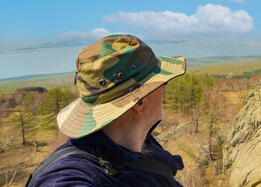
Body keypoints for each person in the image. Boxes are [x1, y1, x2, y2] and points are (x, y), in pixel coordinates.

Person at [27, 34, 186, 186]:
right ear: (140, 103)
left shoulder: (142, 144)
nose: (165, 86)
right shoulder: (72, 174)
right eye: (161, 83)